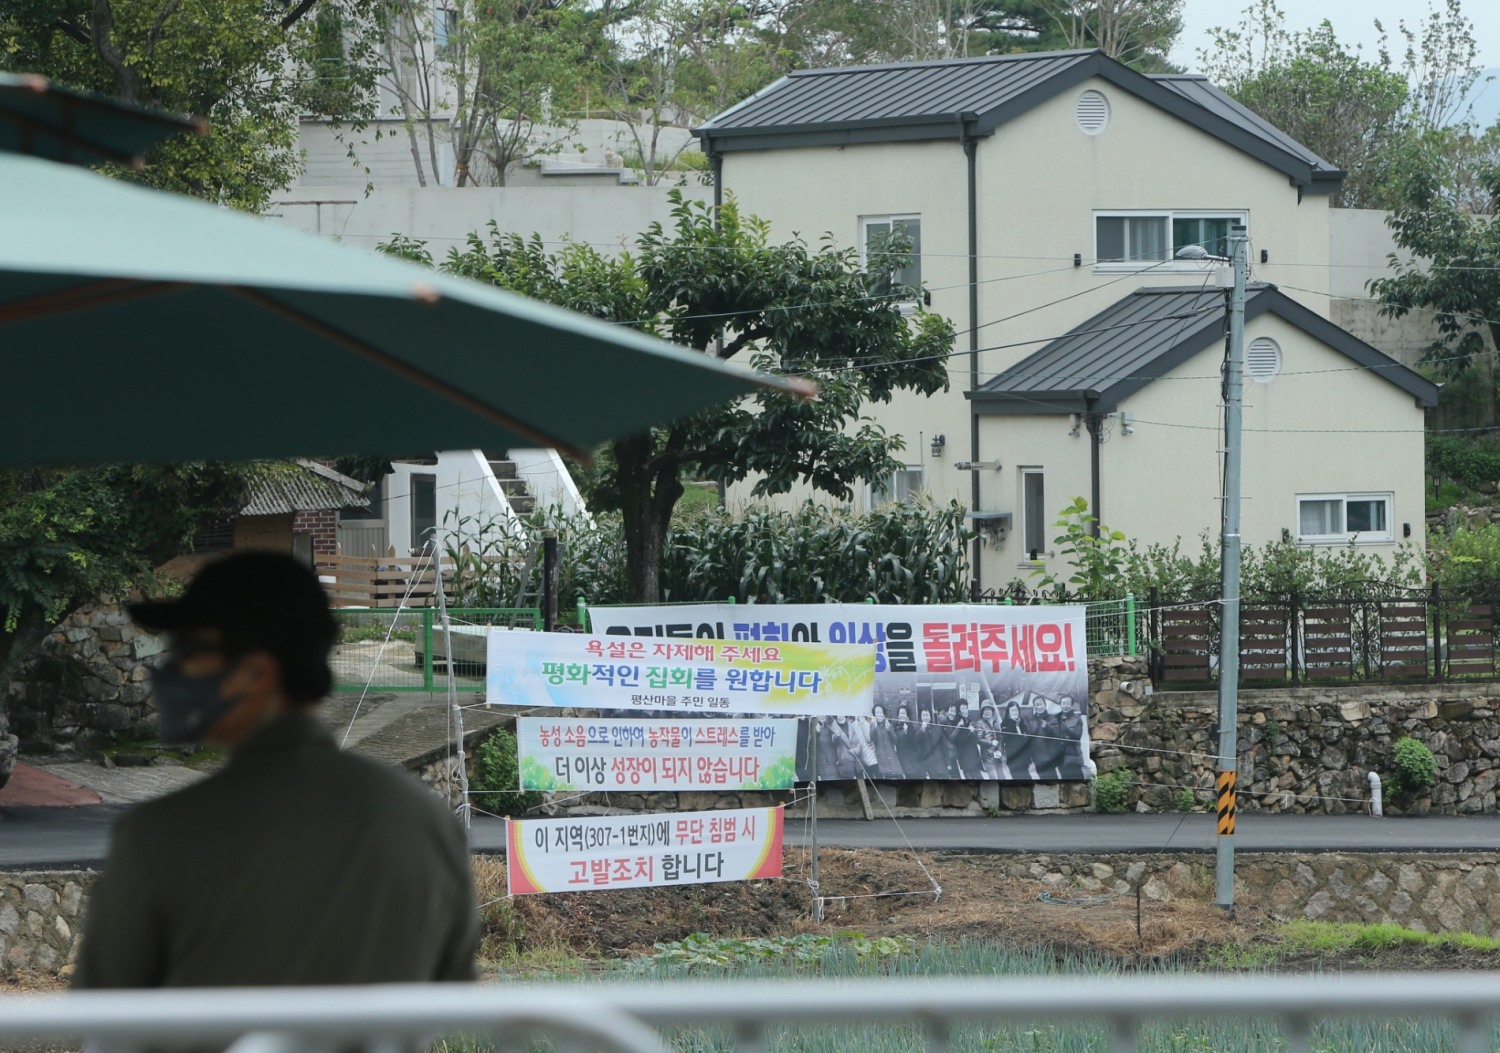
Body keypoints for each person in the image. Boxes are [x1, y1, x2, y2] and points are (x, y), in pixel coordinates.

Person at [73, 551, 478, 989]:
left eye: (189, 650)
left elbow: (108, 1017)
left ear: (255, 671)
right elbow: (452, 986)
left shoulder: (157, 837)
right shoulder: (427, 823)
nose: (171, 670)